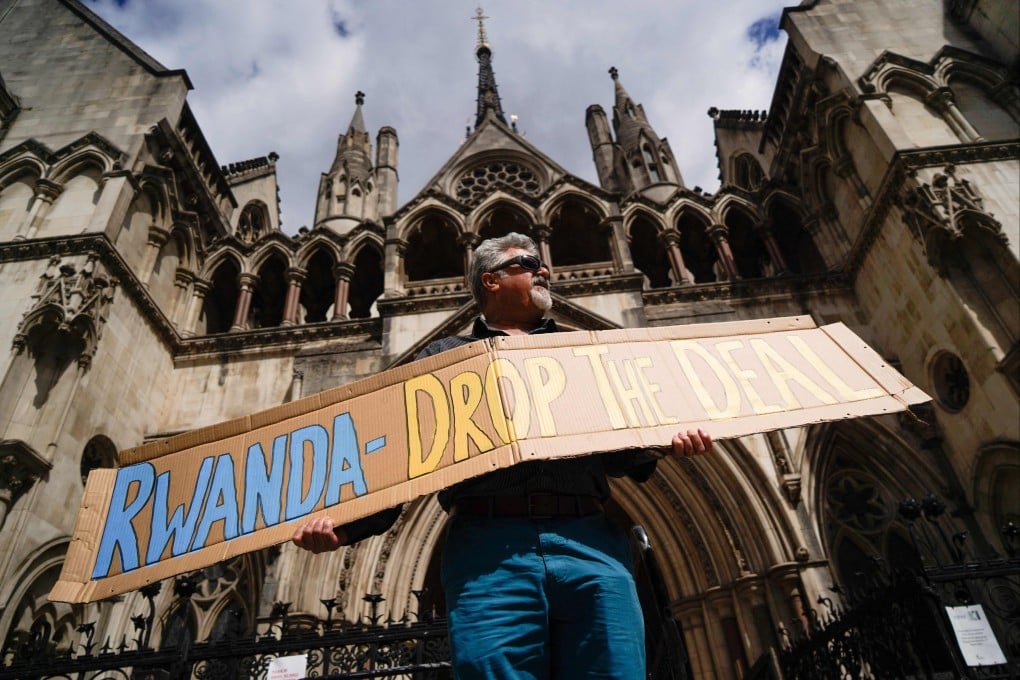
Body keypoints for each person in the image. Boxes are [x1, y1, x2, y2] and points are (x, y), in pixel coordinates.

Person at [293, 232, 713, 679]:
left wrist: (666, 439)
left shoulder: (583, 350)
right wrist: (341, 527)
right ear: (491, 281)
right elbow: (397, 456)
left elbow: (620, 452)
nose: (544, 270)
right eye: (529, 263)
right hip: (489, 548)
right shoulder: (444, 358)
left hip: (590, 539)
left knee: (614, 668)